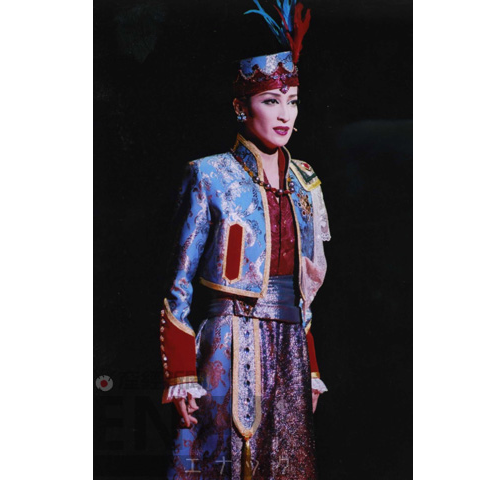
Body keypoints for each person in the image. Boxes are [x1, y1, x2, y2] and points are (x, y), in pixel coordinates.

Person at [158, 2, 329, 478]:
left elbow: (306, 289)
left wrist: (312, 368)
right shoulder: (209, 175)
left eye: (292, 101)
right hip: (229, 342)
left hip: (290, 345)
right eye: (271, 101)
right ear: (241, 105)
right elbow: (179, 283)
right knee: (227, 459)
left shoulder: (305, 182)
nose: (284, 114)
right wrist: (181, 373)